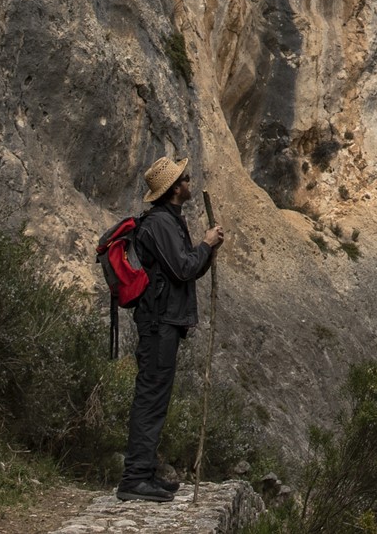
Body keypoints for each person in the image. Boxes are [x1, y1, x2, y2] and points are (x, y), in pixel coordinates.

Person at [117, 154, 225, 504]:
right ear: (175, 188)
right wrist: (206, 245)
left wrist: (207, 251)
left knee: (156, 397)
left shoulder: (168, 220)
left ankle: (144, 474)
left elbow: (186, 270)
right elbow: (182, 269)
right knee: (150, 397)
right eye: (185, 179)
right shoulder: (162, 222)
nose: (189, 182)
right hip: (159, 322)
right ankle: (134, 478)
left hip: (163, 321)